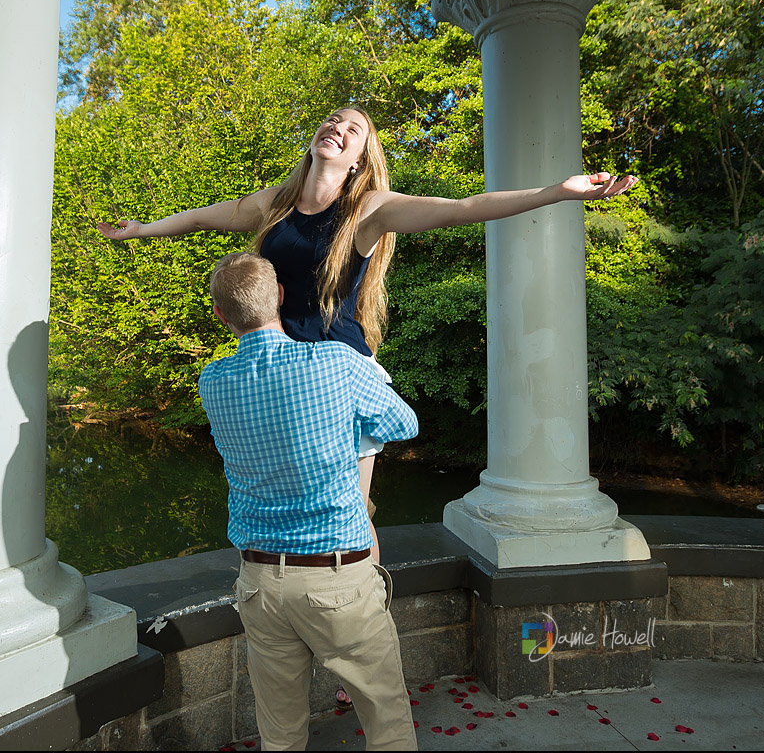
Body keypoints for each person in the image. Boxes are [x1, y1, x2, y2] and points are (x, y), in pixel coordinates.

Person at [98, 104, 639, 709]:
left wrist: (554, 192)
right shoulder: (275, 202)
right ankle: (297, 634)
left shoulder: (369, 208)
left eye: (355, 130)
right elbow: (205, 217)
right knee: (277, 502)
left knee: (353, 511)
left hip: (339, 379)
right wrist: (145, 231)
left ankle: (362, 649)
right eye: (333, 120)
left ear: (361, 157)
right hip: (279, 377)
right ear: (315, 137)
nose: (339, 129)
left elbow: (463, 210)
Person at [199, 251, 420, 751]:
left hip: (259, 585)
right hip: (338, 581)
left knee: (279, 734)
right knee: (386, 723)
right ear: (280, 296)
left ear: (221, 315)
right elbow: (404, 424)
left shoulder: (213, 382)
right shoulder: (336, 364)